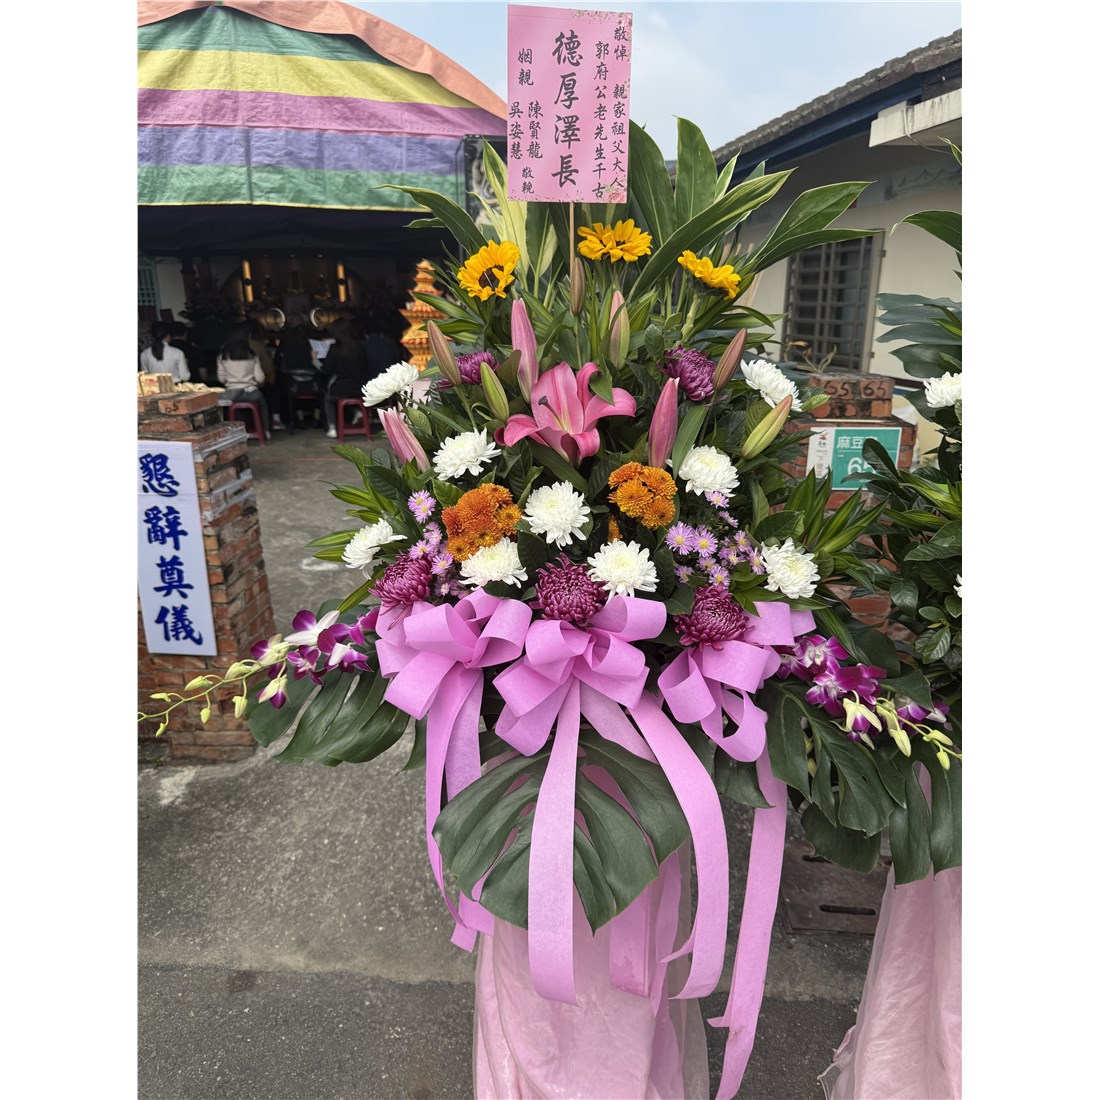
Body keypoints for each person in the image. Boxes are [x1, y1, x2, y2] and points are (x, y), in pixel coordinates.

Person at [320, 319, 372, 439]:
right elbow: (365, 367)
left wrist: (314, 360)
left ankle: (332, 428)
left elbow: (326, 370)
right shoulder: (360, 347)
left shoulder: (334, 348)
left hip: (341, 388)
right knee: (351, 397)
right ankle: (357, 411)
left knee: (328, 399)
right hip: (360, 388)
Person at [217, 325, 271, 439]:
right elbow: (260, 378)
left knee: (228, 409)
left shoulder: (223, 356)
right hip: (251, 392)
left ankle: (234, 433)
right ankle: (265, 430)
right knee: (262, 403)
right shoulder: (252, 355)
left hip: (231, 394)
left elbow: (221, 378)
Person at [275, 321, 324, 431]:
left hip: (294, 387)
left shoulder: (288, 349)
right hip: (314, 386)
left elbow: (281, 367)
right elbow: (323, 367)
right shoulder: (315, 347)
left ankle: (300, 419)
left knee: (289, 388)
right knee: (322, 386)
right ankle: (317, 419)